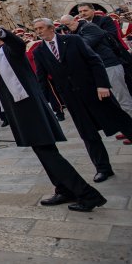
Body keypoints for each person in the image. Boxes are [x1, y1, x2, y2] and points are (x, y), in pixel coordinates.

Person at [0, 21, 107, 212]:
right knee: (43, 153)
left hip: (30, 108)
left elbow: (18, 43)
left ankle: (87, 195)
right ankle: (63, 189)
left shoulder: (10, 50)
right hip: (19, 111)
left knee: (49, 154)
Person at [32, 17, 132, 184]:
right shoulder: (39, 52)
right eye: (36, 29)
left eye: (41, 28)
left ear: (51, 28)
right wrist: (48, 103)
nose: (38, 31)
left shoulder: (73, 40)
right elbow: (42, 79)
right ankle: (103, 168)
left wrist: (102, 85)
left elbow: (94, 61)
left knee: (121, 120)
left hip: (94, 91)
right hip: (72, 98)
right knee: (88, 134)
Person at [61, 14, 132, 120]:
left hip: (110, 64)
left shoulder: (89, 27)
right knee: (114, 99)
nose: (67, 27)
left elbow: (85, 45)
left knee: (122, 97)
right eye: (64, 26)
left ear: (75, 20)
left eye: (68, 24)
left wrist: (68, 38)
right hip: (100, 68)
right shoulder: (74, 34)